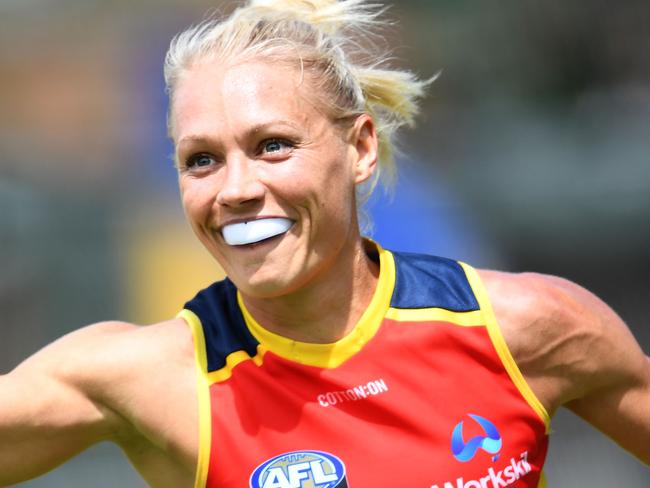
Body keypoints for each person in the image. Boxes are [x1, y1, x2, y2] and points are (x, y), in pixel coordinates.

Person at [1, 0, 649, 487]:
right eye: (201, 160)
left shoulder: (528, 328)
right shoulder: (143, 380)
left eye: (272, 146)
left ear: (360, 147)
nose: (236, 189)